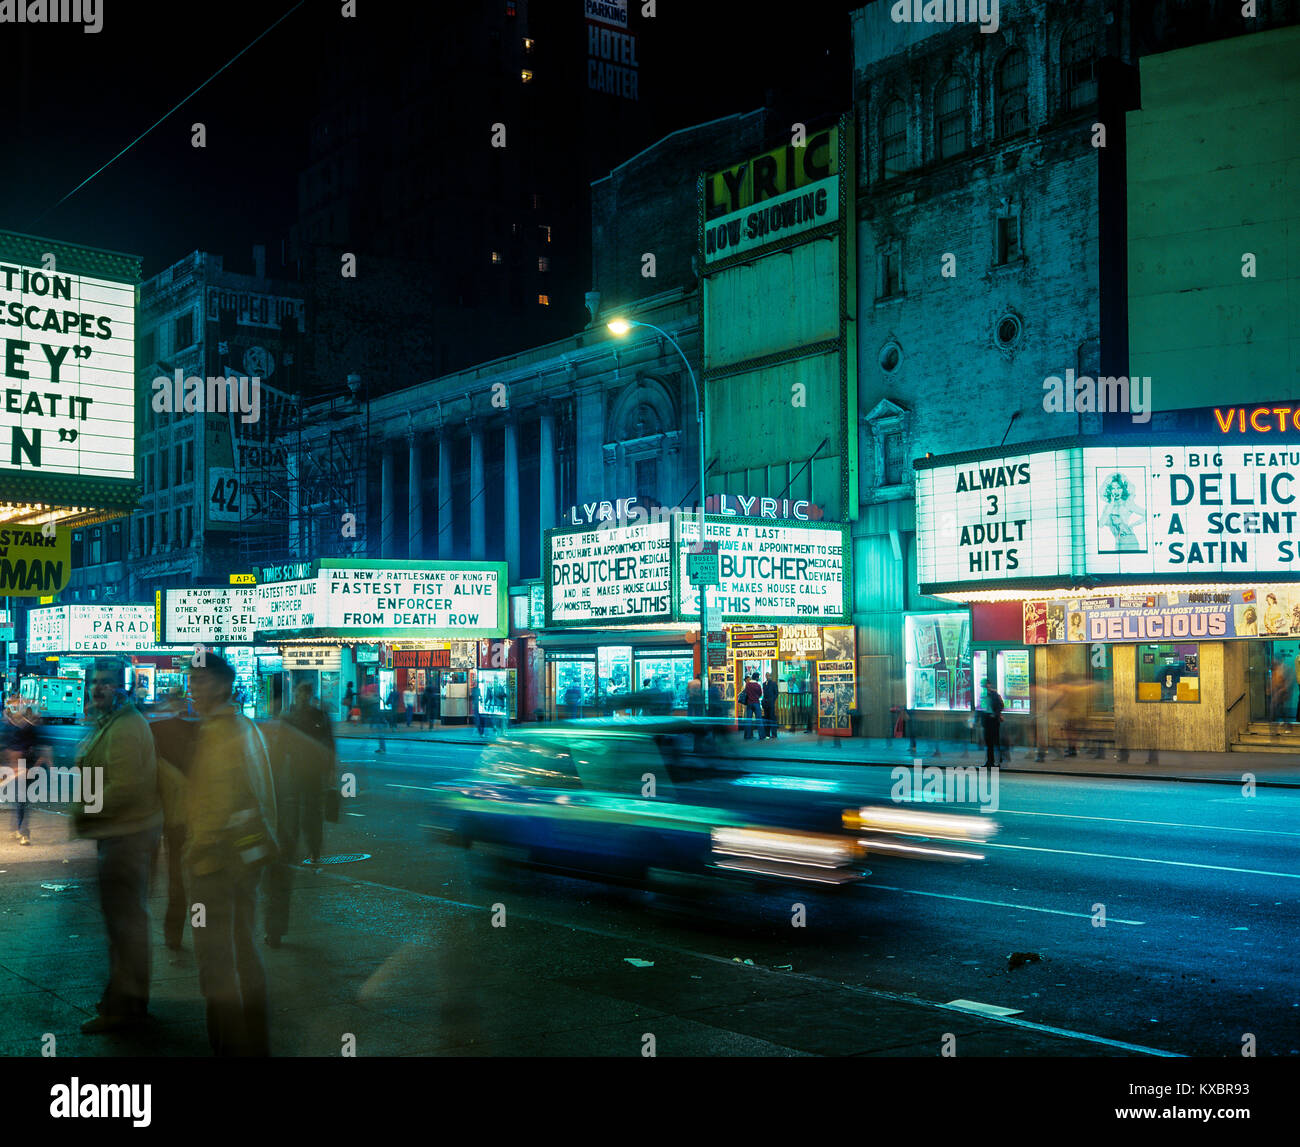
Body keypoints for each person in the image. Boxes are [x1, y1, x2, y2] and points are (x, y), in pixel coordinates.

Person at [185, 653, 278, 1057]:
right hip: (246, 860)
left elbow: (214, 806)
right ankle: (256, 1043)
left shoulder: (220, 733)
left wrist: (197, 852)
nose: (193, 687)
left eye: (202, 680)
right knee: (245, 951)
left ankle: (228, 1047)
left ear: (223, 685)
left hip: (217, 867)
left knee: (216, 964)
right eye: (191, 679)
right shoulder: (244, 727)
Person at [73, 659, 164, 1034]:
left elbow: (124, 786)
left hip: (126, 839)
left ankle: (125, 1009)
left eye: (106, 682)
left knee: (125, 926)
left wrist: (86, 812)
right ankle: (123, 1001)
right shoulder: (111, 722)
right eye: (94, 681)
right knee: (124, 925)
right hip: (118, 835)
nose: (98, 688)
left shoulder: (125, 727)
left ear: (122, 687)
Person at [264, 679, 337, 948]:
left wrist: (330, 770)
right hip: (295, 774)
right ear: (296, 694)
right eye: (300, 692)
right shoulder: (290, 717)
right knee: (297, 812)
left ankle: (313, 846)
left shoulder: (318, 716)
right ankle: (297, 842)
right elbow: (279, 750)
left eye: (306, 693)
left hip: (312, 774)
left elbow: (329, 743)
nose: (303, 696)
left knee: (312, 813)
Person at [149, 691, 198, 952]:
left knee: (171, 877)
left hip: (162, 814)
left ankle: (172, 933)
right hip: (184, 813)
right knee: (182, 877)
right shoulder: (194, 730)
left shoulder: (151, 728)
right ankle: (177, 932)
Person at [978, 680, 1005, 768]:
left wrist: (995, 714)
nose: (985, 687)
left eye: (986, 685)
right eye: (983, 686)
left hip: (993, 719)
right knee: (988, 742)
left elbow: (1001, 705)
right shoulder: (982, 695)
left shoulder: (994, 694)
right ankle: (989, 761)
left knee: (995, 742)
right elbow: (980, 707)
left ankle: (997, 762)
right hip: (986, 719)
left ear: (989, 685)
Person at [742, 673, 763, 740]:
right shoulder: (757, 685)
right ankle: (761, 735)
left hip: (749, 703)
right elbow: (760, 694)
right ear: (756, 678)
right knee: (759, 720)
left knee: (748, 720)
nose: (758, 678)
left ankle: (747, 736)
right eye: (758, 677)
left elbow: (746, 693)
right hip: (756, 703)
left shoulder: (747, 685)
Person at [761, 671, 779, 740]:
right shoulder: (763, 684)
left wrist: (772, 700)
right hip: (765, 704)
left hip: (771, 704)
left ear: (770, 676)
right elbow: (764, 694)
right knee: (766, 719)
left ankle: (774, 734)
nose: (767, 676)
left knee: (772, 719)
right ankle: (767, 734)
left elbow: (776, 693)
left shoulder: (774, 684)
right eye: (766, 675)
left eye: (768, 675)